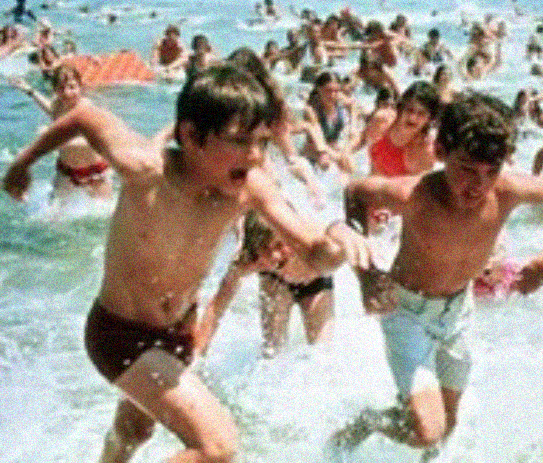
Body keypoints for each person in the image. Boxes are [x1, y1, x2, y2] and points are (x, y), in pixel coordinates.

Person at [2, 62, 370, 463]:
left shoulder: (249, 188)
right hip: (117, 334)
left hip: (178, 336)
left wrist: (340, 236)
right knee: (217, 448)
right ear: (191, 135)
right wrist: (23, 163)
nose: (255, 156)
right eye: (240, 141)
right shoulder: (145, 168)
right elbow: (83, 116)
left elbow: (313, 250)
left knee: (133, 431)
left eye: (262, 142)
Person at [332, 91, 543, 456]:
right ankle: (371, 422)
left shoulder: (505, 191)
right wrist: (366, 275)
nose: (478, 184)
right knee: (429, 430)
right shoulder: (414, 194)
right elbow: (355, 191)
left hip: (458, 312)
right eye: (467, 169)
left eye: (490, 172)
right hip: (406, 312)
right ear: (441, 152)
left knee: (448, 426)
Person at [196, 210, 335, 358]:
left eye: (280, 245)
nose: (275, 256)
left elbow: (343, 249)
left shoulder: (310, 239)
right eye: (266, 249)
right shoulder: (248, 260)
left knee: (322, 353)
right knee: (273, 354)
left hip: (315, 282)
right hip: (275, 283)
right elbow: (217, 307)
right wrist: (196, 355)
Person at [9, 64, 113, 200]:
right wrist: (31, 92)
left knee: (104, 212)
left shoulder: (86, 110)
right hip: (66, 172)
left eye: (71, 87)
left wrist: (51, 138)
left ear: (80, 87)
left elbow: (93, 141)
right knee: (53, 215)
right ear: (55, 90)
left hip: (95, 172)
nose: (67, 93)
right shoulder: (58, 104)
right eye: (61, 88)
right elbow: (52, 112)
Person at [365, 81, 440, 177]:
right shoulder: (382, 120)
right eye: (410, 109)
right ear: (402, 107)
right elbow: (362, 136)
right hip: (368, 185)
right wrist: (347, 150)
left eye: (421, 113)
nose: (412, 118)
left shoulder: (425, 151)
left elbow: (414, 189)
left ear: (430, 119)